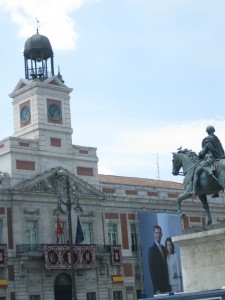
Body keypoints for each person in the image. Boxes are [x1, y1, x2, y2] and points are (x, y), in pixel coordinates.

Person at [192, 125, 225, 196]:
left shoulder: (207, 139)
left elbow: (204, 151)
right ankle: (216, 192)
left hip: (210, 159)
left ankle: (194, 190)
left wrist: (200, 154)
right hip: (219, 157)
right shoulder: (216, 138)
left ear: (207, 131)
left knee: (196, 172)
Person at [148, 225, 170, 294]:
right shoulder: (151, 250)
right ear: (153, 234)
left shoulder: (164, 248)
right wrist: (156, 289)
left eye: (159, 233)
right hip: (158, 289)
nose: (158, 235)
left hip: (166, 286)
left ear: (162, 234)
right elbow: (152, 270)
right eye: (156, 233)